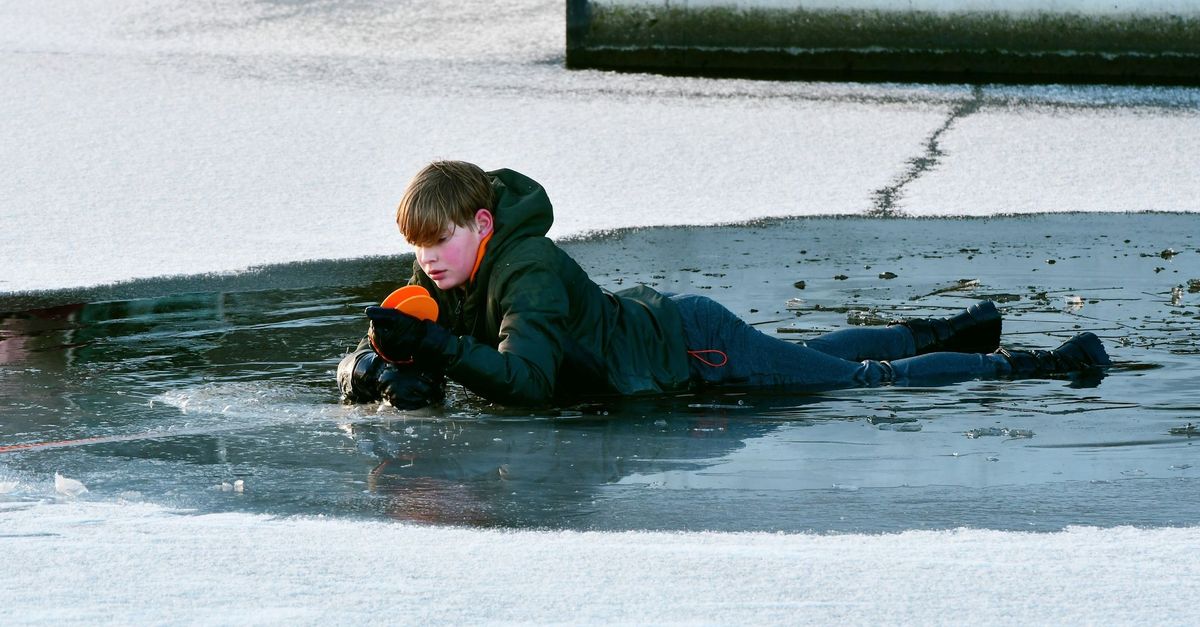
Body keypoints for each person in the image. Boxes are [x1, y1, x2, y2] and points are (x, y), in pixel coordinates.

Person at [338, 161, 1111, 408]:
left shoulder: (527, 270)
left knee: (856, 381)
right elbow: (401, 332)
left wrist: (436, 347)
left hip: (694, 348)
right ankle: (950, 331)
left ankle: (1038, 363)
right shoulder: (447, 269)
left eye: (437, 242)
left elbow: (530, 381)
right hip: (673, 331)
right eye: (417, 247)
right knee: (811, 353)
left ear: (479, 224)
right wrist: (368, 362)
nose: (426, 262)